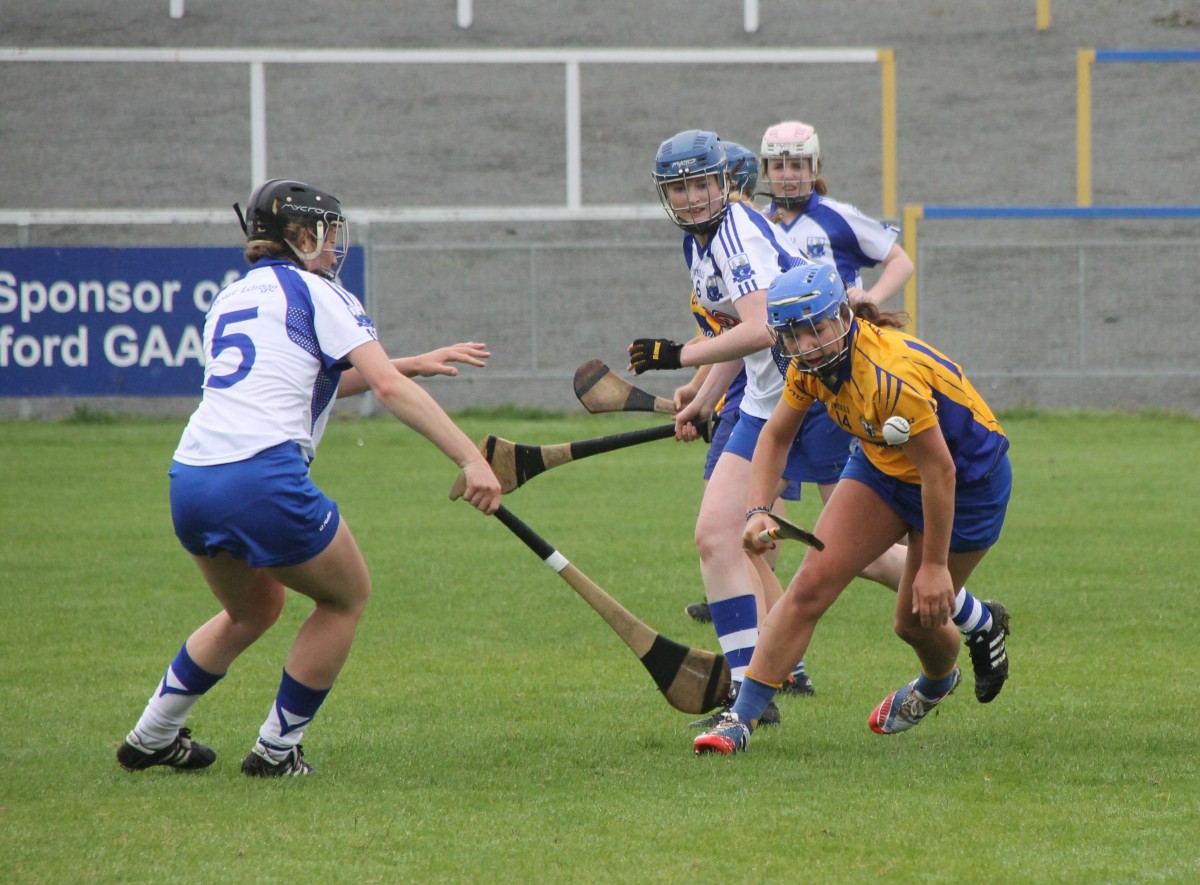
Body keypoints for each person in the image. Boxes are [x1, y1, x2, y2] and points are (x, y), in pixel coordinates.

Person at [115, 179, 502, 777]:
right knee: (346, 596)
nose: (334, 244)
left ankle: (152, 734)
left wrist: (404, 362)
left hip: (190, 477)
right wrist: (471, 459)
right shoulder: (321, 291)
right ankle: (276, 749)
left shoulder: (230, 298)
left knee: (253, 610)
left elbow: (307, 377)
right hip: (263, 475)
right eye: (326, 231)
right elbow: (387, 390)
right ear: (300, 235)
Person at [693, 264, 1012, 755]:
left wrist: (930, 566)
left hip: (966, 484)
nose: (807, 344)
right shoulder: (804, 367)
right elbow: (776, 435)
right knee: (808, 587)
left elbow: (939, 473)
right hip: (883, 468)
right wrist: (759, 508)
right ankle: (741, 718)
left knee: (912, 621)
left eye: (816, 328)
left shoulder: (889, 378)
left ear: (843, 317)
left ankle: (936, 680)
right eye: (794, 334)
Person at [629, 129, 842, 729]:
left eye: (702, 184)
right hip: (765, 400)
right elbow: (740, 337)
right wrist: (703, 396)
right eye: (681, 188)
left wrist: (678, 357)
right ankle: (750, 691)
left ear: (723, 183)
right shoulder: (700, 242)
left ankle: (969, 613)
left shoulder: (737, 231)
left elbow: (762, 328)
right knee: (715, 536)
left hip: (819, 392)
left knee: (855, 553)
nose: (693, 197)